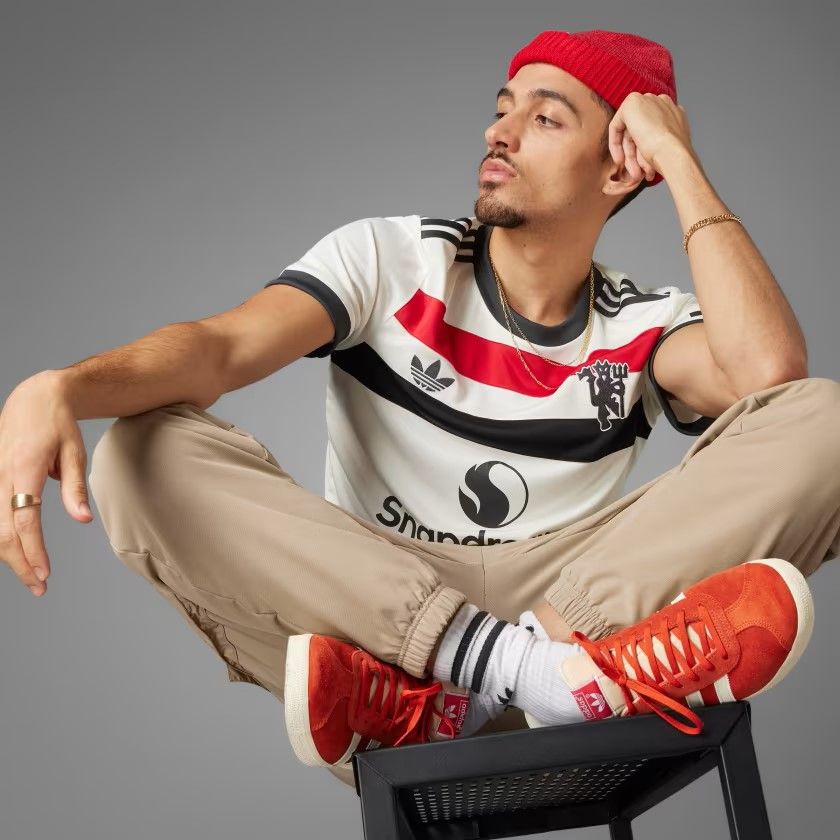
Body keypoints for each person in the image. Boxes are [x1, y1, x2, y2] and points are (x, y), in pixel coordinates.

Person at [2, 30, 837, 794]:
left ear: (620, 168)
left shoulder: (644, 325)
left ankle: (542, 666)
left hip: (575, 608)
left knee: (825, 420)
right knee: (139, 452)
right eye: (502, 109)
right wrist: (59, 386)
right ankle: (517, 671)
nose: (499, 133)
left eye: (545, 118)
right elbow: (219, 349)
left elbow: (770, 378)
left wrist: (679, 161)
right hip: (384, 639)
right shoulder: (392, 259)